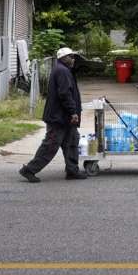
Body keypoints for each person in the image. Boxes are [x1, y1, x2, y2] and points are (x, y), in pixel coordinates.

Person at [19, 47, 87, 182]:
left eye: (73, 57)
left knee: (72, 141)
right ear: (63, 59)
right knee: (51, 145)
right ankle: (29, 170)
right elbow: (65, 94)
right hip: (59, 117)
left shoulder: (64, 70)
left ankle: (72, 171)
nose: (73, 59)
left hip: (64, 117)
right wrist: (73, 112)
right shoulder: (62, 71)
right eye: (70, 57)